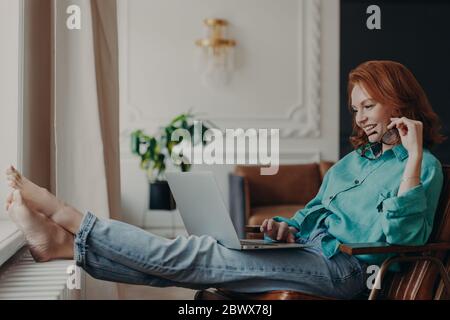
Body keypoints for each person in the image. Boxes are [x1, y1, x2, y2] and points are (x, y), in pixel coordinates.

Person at [5, 60, 445, 299]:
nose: (360, 118)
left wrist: (411, 158)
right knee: (197, 262)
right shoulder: (352, 164)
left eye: (368, 106)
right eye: (355, 108)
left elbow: (401, 238)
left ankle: (69, 219)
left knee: (195, 255)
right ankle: (62, 246)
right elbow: (312, 213)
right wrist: (286, 226)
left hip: (347, 270)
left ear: (397, 102)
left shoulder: (422, 167)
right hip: (307, 250)